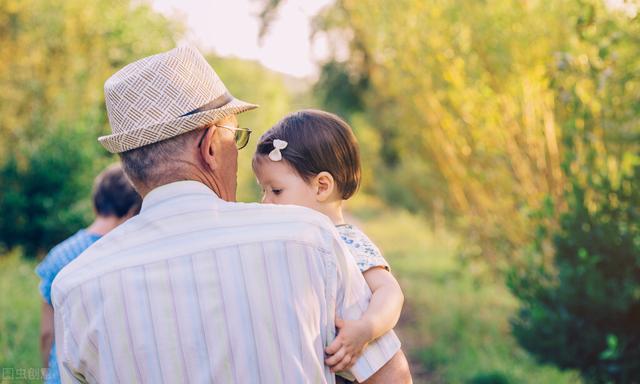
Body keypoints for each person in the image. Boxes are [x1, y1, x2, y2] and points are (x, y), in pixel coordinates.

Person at [50, 45, 412, 383]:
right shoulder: (309, 238)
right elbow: (391, 377)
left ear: (129, 167)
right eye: (235, 138)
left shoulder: (74, 288)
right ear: (209, 146)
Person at [253, 109, 405, 380]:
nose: (266, 202)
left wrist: (366, 328)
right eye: (263, 191)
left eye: (276, 191)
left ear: (322, 186)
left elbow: (389, 291)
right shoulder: (289, 244)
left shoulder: (345, 240)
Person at [36, 163, 141, 384]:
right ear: (133, 212)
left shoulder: (59, 255)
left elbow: (47, 333)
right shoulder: (131, 254)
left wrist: (48, 373)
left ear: (96, 202)